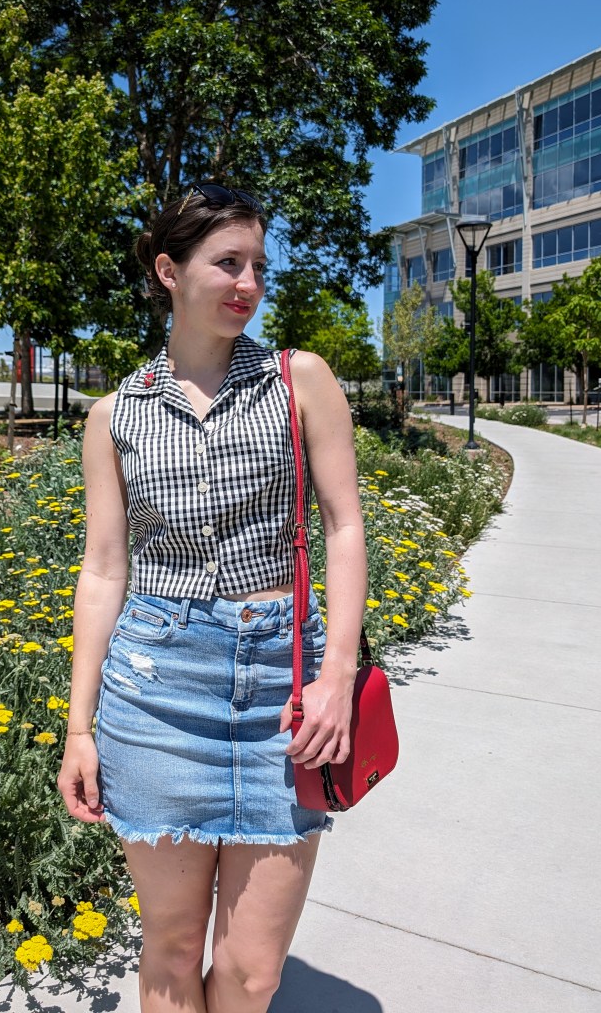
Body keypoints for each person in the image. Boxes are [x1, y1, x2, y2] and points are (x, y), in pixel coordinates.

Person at [57, 182, 368, 1013]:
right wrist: (78, 729)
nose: (248, 283)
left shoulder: (297, 378)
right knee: (168, 948)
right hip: (156, 686)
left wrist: (335, 672)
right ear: (169, 270)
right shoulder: (115, 413)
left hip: (283, 689)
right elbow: (102, 568)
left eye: (258, 266)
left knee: (251, 971)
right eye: (227, 263)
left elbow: (343, 525)